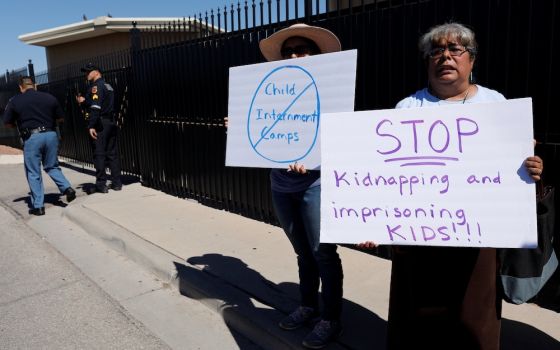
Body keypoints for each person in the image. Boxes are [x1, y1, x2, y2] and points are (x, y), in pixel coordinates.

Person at [381, 22, 543, 350]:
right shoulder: (406, 108)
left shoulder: (496, 104)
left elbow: (511, 168)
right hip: (419, 235)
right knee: (418, 312)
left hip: (478, 236)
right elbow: (385, 174)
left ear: (471, 59)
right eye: (436, 51)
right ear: (427, 61)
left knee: (475, 315)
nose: (445, 56)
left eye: (456, 49)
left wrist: (531, 167)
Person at [257, 23, 344, 349]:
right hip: (281, 184)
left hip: (315, 184)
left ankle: (330, 319)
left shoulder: (331, 92)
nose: (295, 55)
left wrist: (315, 156)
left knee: (324, 254)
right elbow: (261, 131)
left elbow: (343, 139)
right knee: (302, 253)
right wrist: (239, 127)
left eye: (302, 49)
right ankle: (308, 306)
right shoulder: (271, 91)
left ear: (317, 55)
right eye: (289, 51)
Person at [3, 76, 76, 216]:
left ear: (21, 87)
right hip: (50, 135)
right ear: (34, 85)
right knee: (52, 166)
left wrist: (17, 124)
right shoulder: (49, 98)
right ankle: (67, 188)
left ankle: (39, 207)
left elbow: (7, 122)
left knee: (33, 172)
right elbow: (60, 118)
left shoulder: (15, 101)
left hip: (32, 138)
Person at [76, 63, 122, 193]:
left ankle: (101, 185)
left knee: (99, 154)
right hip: (110, 122)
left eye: (88, 72)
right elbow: (102, 103)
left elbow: (96, 107)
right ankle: (117, 182)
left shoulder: (96, 86)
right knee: (112, 154)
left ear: (96, 72)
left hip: (100, 123)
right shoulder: (108, 86)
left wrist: (91, 125)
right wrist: (84, 101)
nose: (86, 74)